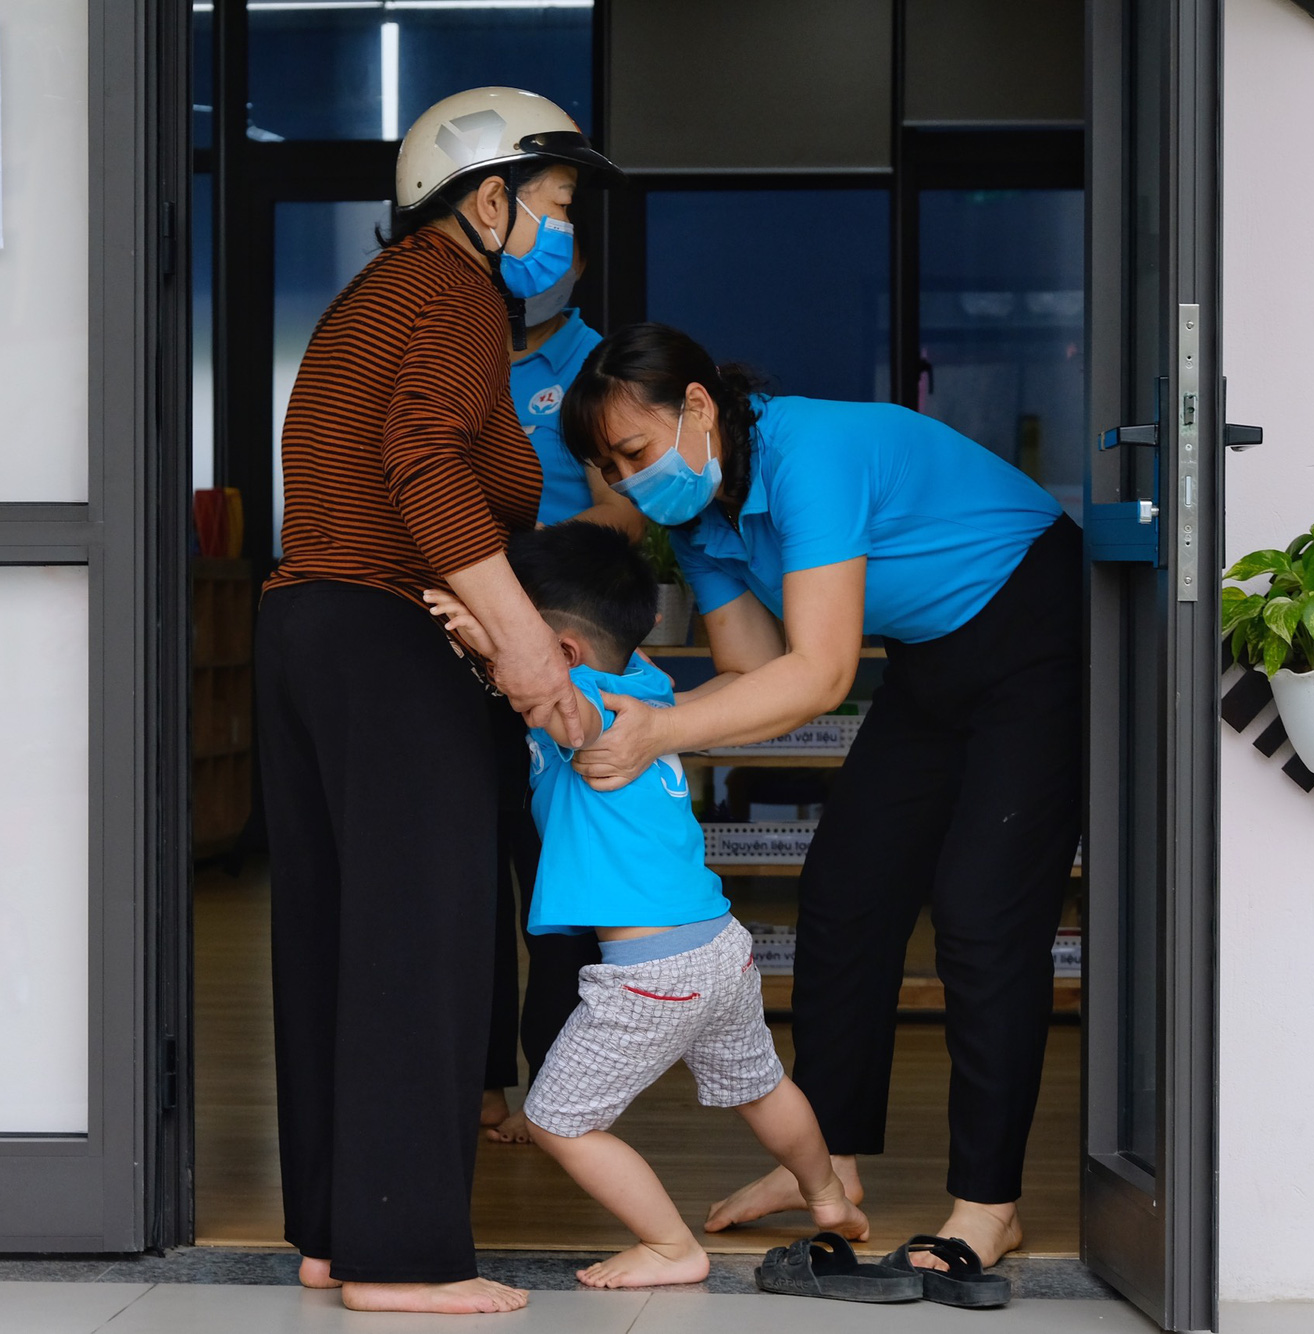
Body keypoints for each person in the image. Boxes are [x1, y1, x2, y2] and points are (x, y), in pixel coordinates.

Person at [556, 323, 1084, 1269]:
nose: (631, 483)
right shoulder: (701, 515)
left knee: (981, 915)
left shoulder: (813, 455)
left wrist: (663, 731)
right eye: (609, 468)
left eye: (634, 452)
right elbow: (753, 672)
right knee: (845, 888)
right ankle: (825, 1166)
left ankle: (989, 1202)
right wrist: (629, 719)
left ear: (701, 407)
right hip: (934, 655)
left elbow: (824, 674)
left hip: (1038, 623)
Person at [255, 87, 619, 1315]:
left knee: (338, 939)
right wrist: (526, 650)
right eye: (557, 205)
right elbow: (421, 464)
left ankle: (335, 1228)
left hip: (312, 628)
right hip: (380, 637)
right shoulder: (452, 290)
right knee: (425, 942)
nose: (565, 235)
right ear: (489, 196)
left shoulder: (385, 295)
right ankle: (401, 1255)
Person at [429, 523, 868, 1288]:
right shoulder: (644, 682)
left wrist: (486, 639)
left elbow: (565, 710)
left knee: (559, 1119)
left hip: (649, 975)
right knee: (762, 1088)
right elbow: (569, 678)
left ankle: (670, 1247)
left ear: (559, 654)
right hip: (718, 948)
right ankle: (828, 1195)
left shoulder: (596, 714)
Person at [481, 248, 641, 1146]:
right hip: (454, 649)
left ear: (581, 260)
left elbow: (625, 512)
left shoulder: (594, 367)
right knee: (467, 872)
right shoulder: (453, 346)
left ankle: (563, 1088)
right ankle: (481, 1082)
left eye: (569, 231)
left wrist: (520, 552)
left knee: (557, 878)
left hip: (559, 654)